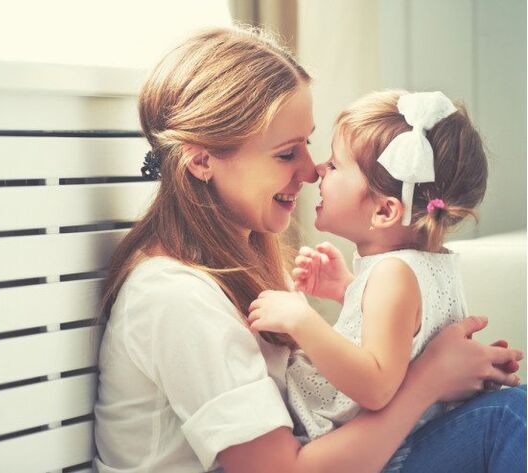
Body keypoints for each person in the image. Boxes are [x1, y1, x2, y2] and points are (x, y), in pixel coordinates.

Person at [93, 26, 524, 473]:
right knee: (508, 418)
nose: (311, 171)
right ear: (201, 161)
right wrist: (430, 380)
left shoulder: (246, 264)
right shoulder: (176, 298)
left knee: (511, 410)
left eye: (309, 145)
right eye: (285, 154)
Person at [247, 90, 493, 444]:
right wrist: (348, 289)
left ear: (384, 211)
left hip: (371, 449)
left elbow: (376, 386)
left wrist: (302, 321)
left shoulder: (392, 275)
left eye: (334, 165)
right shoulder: (426, 264)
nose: (317, 171)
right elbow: (407, 338)